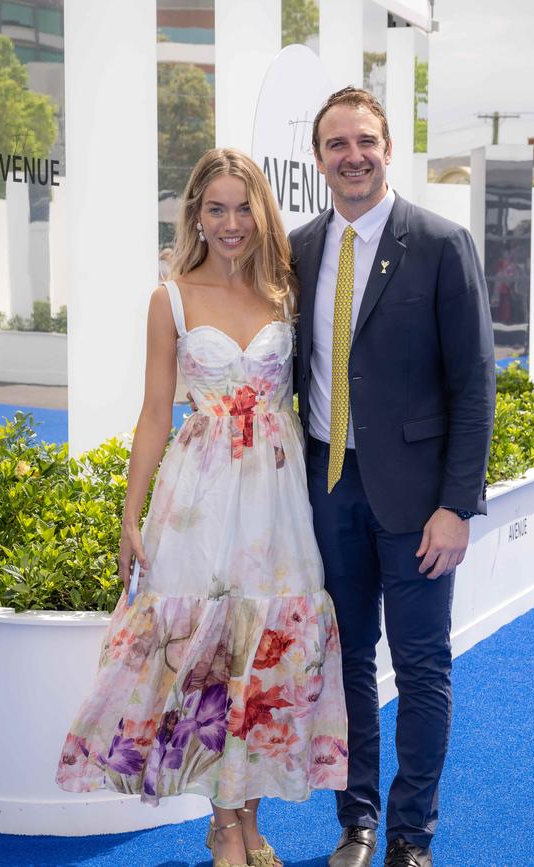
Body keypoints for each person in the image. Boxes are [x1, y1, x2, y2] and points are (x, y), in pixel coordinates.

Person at [56, 148, 348, 867]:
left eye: (243, 207)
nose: (230, 223)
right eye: (214, 208)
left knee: (265, 656)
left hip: (278, 507)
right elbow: (155, 413)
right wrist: (131, 514)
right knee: (208, 655)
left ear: (262, 212)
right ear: (195, 215)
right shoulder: (171, 298)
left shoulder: (287, 290)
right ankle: (223, 826)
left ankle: (245, 818)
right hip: (200, 501)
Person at [289, 88, 496, 867]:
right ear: (319, 158)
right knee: (344, 667)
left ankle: (411, 833)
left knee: (420, 665)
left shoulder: (441, 243)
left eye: (366, 140)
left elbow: (474, 384)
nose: (354, 155)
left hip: (417, 504)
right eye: (337, 143)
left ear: (387, 148)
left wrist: (456, 505)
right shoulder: (300, 247)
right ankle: (358, 821)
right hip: (326, 489)